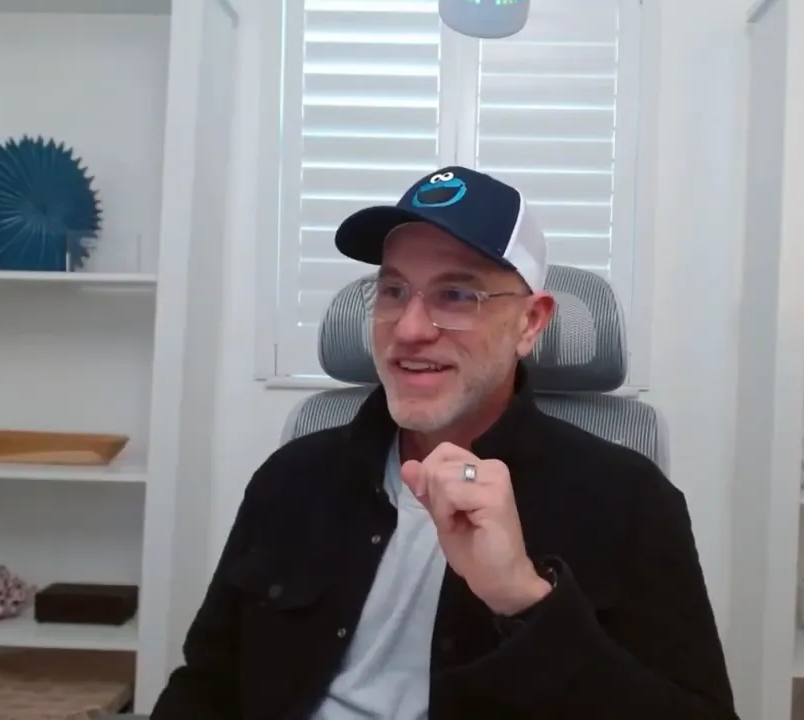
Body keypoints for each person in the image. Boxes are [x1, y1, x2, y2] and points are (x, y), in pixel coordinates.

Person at [150, 166, 736, 719]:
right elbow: (208, 683)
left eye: (458, 296)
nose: (409, 329)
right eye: (394, 292)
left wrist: (525, 601)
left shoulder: (628, 500)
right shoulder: (293, 478)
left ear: (530, 322)